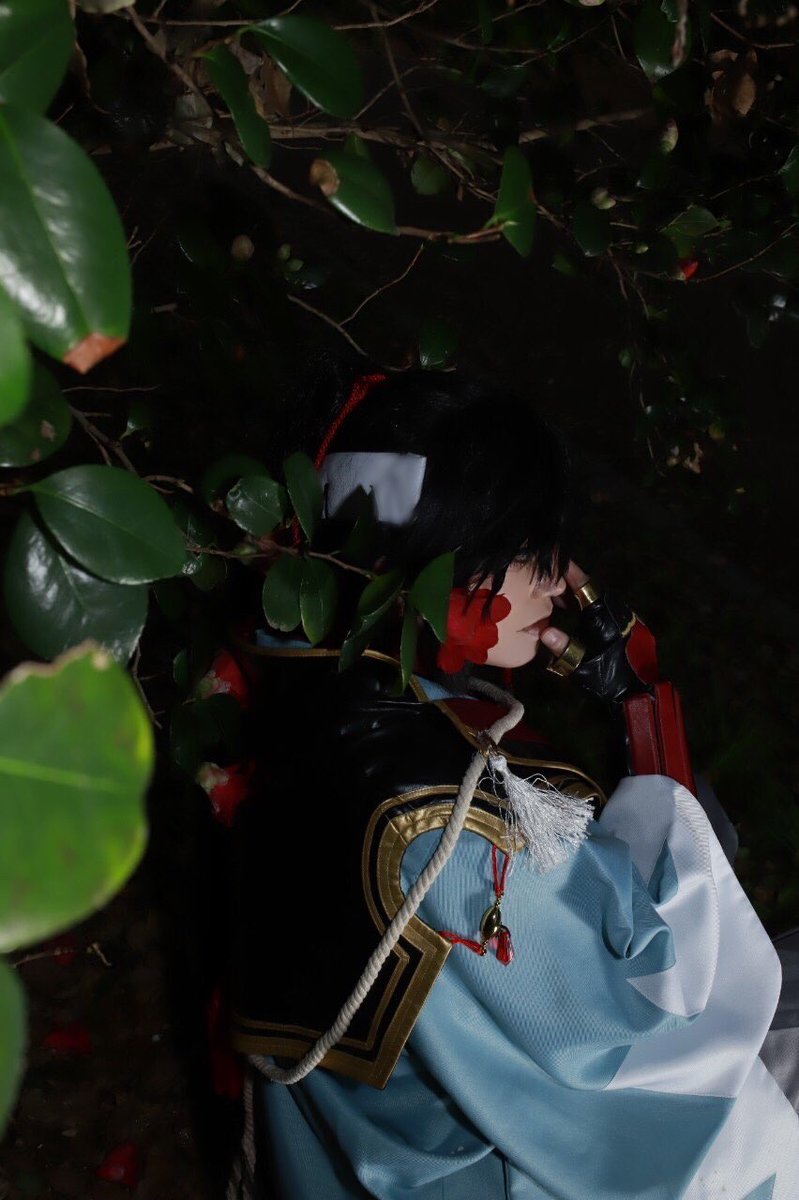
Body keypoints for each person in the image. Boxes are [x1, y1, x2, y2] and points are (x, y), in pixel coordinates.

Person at [223, 365, 799, 1200]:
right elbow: (647, 1026)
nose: (559, 582)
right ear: (424, 565)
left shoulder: (314, 708)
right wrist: (647, 721)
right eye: (526, 553)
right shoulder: (444, 829)